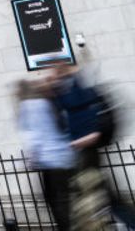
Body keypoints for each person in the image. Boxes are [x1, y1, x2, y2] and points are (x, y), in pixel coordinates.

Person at [50, 63, 135, 229]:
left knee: (93, 195)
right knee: (102, 194)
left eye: (54, 73)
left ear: (60, 73)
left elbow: (89, 124)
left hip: (85, 151)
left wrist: (75, 142)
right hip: (83, 151)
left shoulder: (75, 90)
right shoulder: (70, 89)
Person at [17, 76, 73, 231]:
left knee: (55, 201)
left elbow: (32, 134)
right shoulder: (50, 103)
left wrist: (30, 158)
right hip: (63, 158)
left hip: (49, 160)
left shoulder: (28, 106)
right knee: (63, 200)